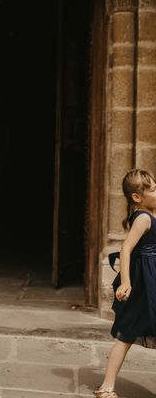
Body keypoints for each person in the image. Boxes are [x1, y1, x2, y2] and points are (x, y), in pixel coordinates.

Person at [94, 169, 156, 398]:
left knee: (128, 333)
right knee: (127, 333)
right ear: (137, 197)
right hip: (145, 283)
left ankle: (107, 386)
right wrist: (126, 282)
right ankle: (107, 387)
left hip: (152, 277)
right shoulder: (142, 218)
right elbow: (126, 248)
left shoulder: (150, 214)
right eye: (153, 190)